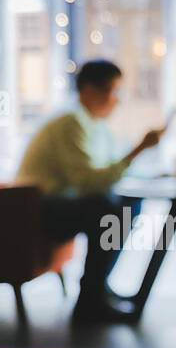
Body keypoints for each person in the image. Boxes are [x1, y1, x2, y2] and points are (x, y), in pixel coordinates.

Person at [18, 60, 166, 324]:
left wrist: (150, 174)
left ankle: (97, 288)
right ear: (88, 90)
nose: (117, 100)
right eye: (113, 91)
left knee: (127, 205)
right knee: (112, 210)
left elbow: (108, 173)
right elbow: (89, 182)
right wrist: (139, 149)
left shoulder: (96, 126)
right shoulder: (71, 124)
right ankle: (90, 299)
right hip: (36, 209)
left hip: (61, 204)